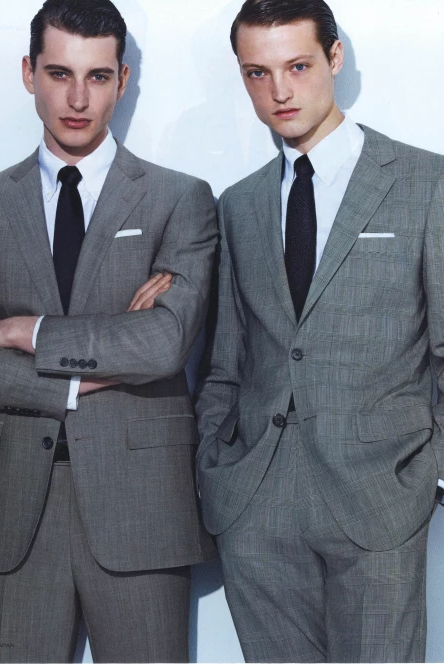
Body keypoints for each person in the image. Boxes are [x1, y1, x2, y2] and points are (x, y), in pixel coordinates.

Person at [195, 0, 444, 661]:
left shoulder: (426, 183)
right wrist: (216, 465)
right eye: (257, 73)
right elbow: (226, 363)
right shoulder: (239, 204)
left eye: (298, 66)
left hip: (380, 497)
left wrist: (429, 474)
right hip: (256, 504)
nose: (279, 90)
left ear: (335, 58)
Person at [0, 0, 217, 662]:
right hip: (8, 512)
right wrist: (78, 382)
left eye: (98, 76)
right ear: (29, 73)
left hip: (141, 509)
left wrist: (26, 330)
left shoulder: (180, 199)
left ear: (123, 80)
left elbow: (163, 343)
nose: (78, 99)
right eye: (59, 74)